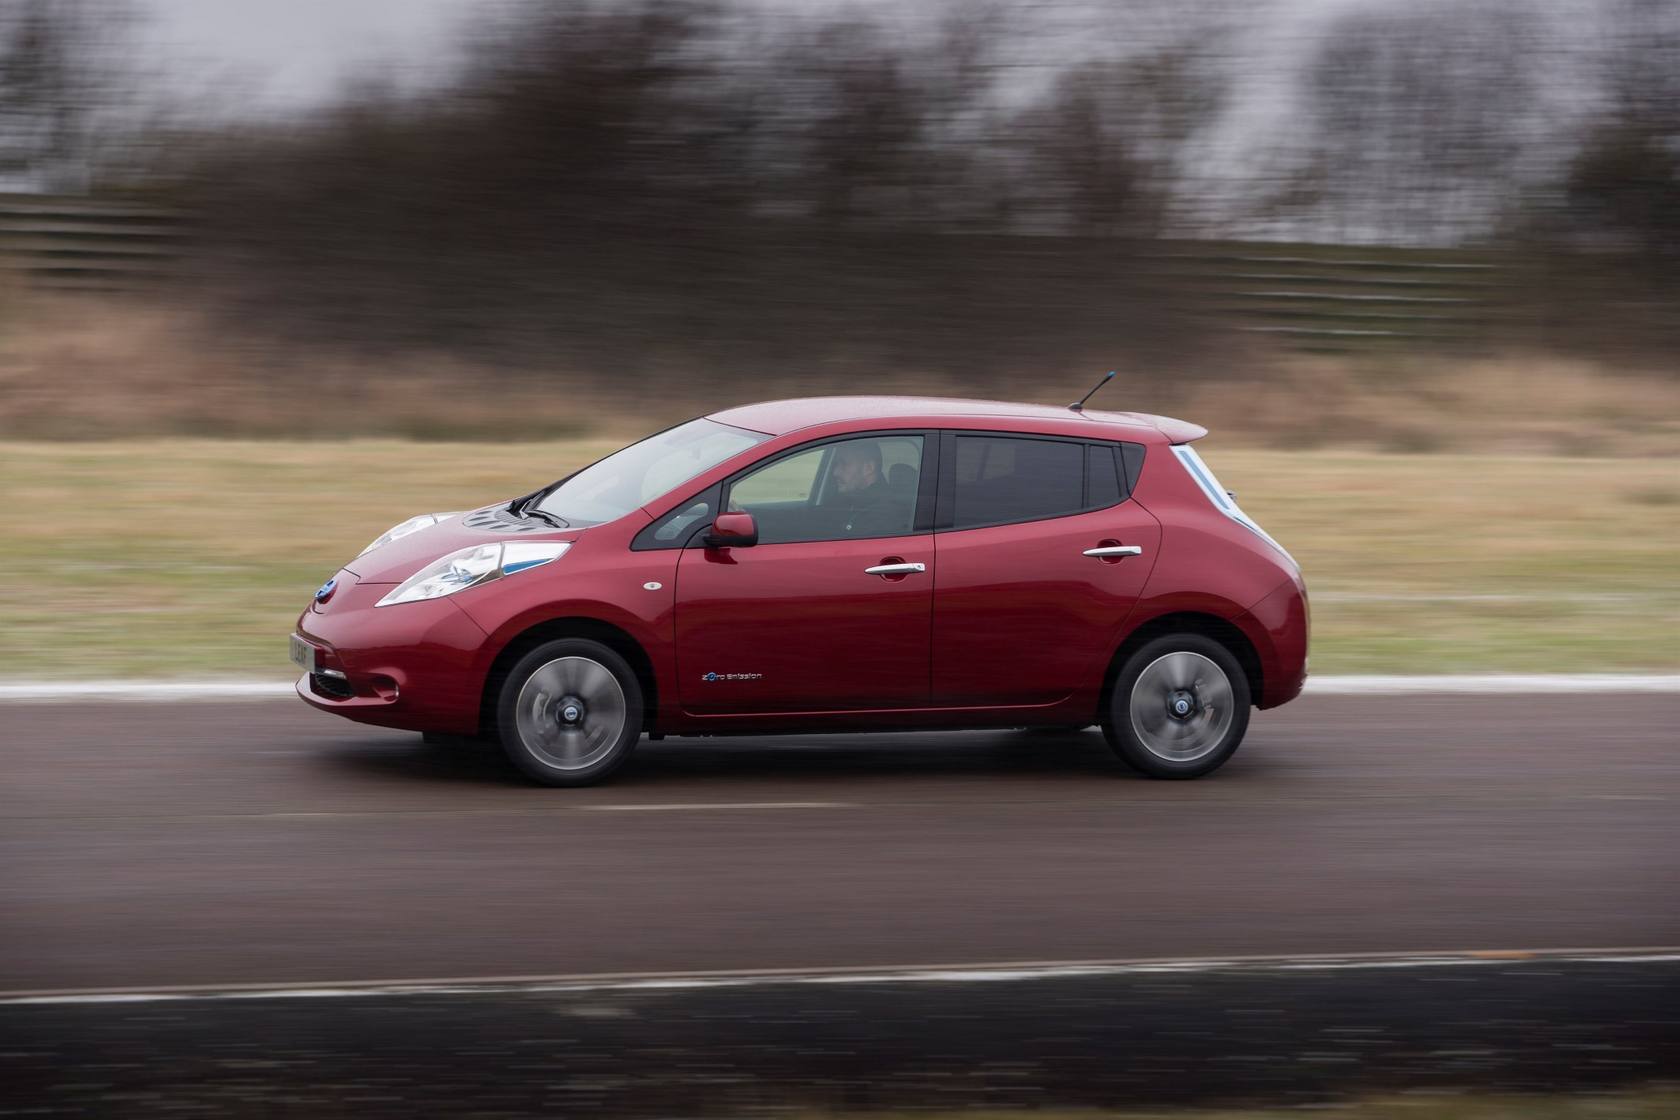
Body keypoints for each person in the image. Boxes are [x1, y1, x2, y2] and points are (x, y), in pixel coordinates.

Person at [829, 441, 907, 536]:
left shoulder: (883, 514)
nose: (835, 472)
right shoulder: (846, 501)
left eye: (844, 464)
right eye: (836, 464)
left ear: (869, 468)